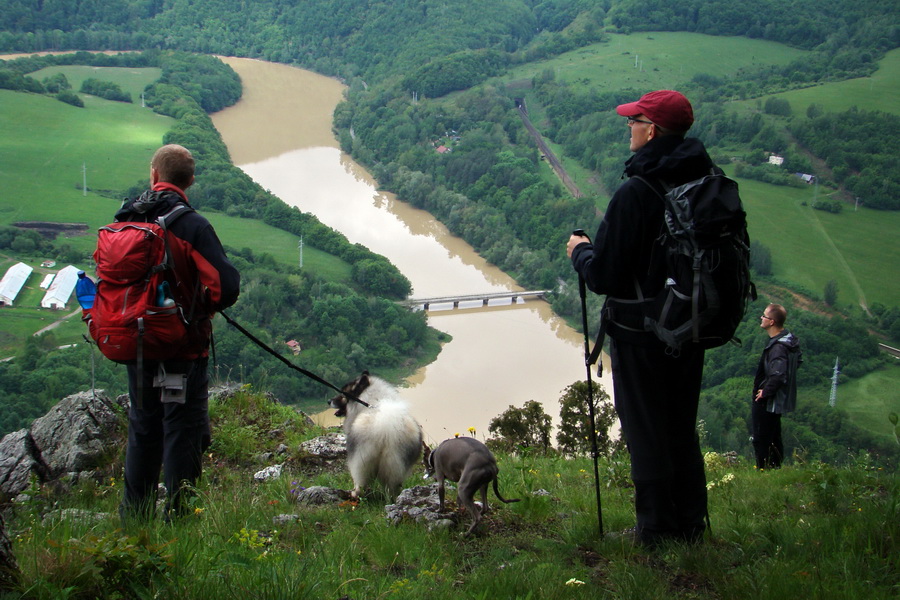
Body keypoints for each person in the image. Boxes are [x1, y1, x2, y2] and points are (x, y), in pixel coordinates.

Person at [566, 90, 716, 546]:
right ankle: (691, 524)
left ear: (651, 131)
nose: (627, 127)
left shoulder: (637, 191)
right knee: (679, 426)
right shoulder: (707, 181)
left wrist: (581, 252)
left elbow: (606, 274)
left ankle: (654, 532)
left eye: (633, 121)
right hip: (692, 328)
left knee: (645, 429)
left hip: (641, 333)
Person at [118, 144, 240, 521]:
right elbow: (226, 287)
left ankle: (134, 521)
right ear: (190, 181)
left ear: (154, 175)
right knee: (181, 429)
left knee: (143, 427)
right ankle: (179, 519)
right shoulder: (192, 225)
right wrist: (201, 304)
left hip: (137, 344)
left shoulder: (125, 219)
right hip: (182, 350)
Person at [751, 303, 801, 469]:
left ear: (772, 322)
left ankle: (764, 470)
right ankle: (775, 467)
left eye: (764, 316)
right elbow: (797, 361)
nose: (761, 317)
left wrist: (765, 392)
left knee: (761, 438)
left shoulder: (778, 347)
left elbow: (779, 374)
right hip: (777, 399)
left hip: (768, 400)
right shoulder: (788, 340)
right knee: (773, 436)